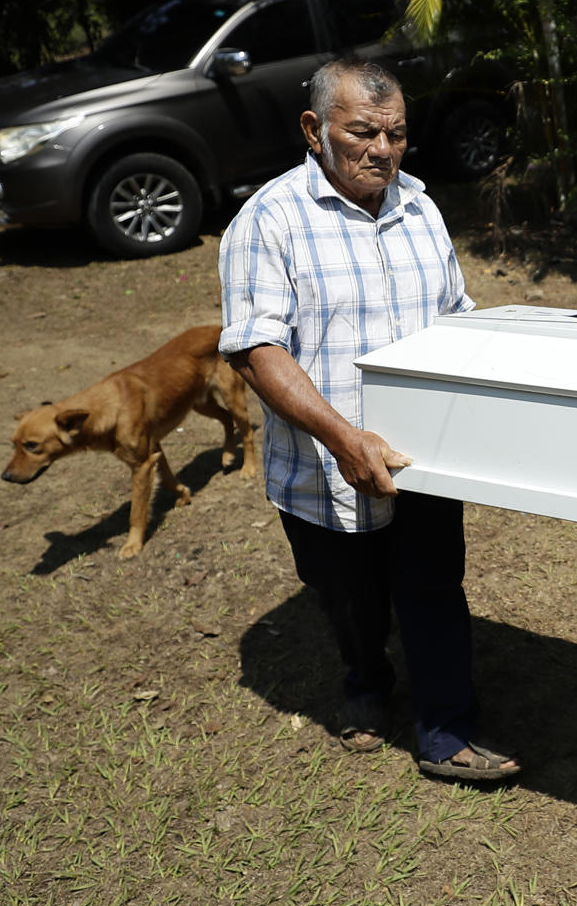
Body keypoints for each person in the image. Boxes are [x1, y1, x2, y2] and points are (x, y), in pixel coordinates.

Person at [219, 58, 521, 783]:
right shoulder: (269, 220)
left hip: (422, 458)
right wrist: (343, 438)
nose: (383, 151)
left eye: (397, 135)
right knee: (348, 599)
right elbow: (258, 350)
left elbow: (456, 317)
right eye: (362, 134)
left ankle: (446, 731)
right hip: (324, 466)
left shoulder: (420, 207)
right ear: (314, 129)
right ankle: (365, 680)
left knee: (433, 585)